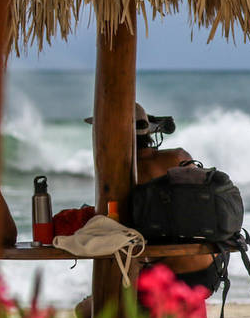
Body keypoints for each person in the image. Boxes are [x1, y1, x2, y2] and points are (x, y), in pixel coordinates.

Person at [86, 104, 223, 291]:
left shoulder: (120, 176)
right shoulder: (180, 157)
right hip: (210, 269)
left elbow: (113, 228)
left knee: (85, 310)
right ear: (150, 132)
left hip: (166, 277)